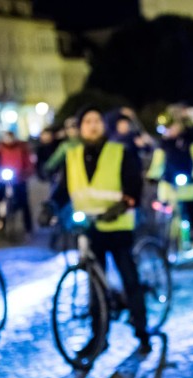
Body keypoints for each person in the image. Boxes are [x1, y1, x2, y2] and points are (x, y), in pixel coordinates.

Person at [38, 106, 151, 355]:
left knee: (129, 278)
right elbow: (63, 188)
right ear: (80, 128)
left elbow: (134, 185)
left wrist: (122, 205)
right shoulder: (73, 155)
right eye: (87, 121)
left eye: (97, 120)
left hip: (118, 226)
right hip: (90, 229)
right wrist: (50, 205)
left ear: (104, 126)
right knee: (94, 287)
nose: (93, 125)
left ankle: (142, 332)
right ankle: (99, 337)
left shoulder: (119, 151)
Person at [146, 110, 193, 259]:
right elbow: (157, 162)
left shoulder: (189, 140)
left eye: (170, 127)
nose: (168, 131)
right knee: (169, 218)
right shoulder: (163, 144)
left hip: (189, 187)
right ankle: (171, 247)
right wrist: (152, 176)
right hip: (170, 187)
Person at [0, 130, 34, 236]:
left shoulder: (21, 148)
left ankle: (28, 227)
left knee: (24, 202)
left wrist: (26, 173)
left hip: (19, 179)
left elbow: (29, 163)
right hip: (3, 179)